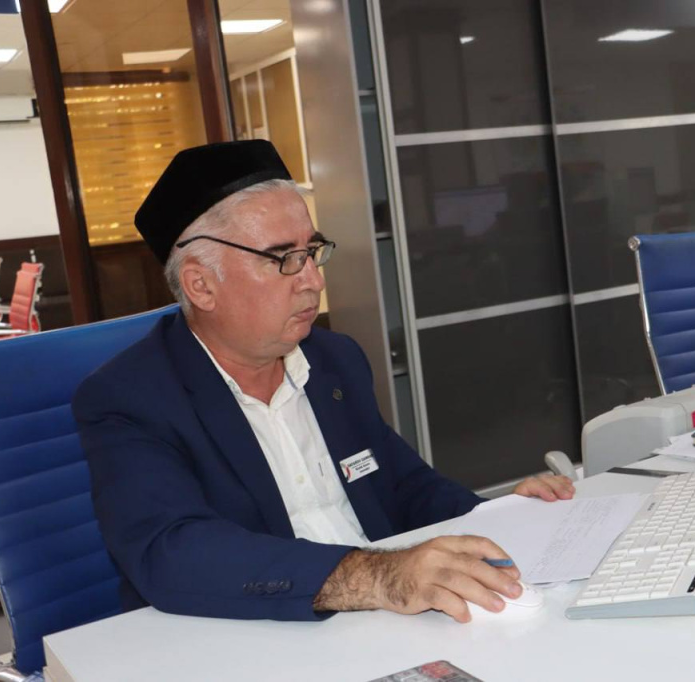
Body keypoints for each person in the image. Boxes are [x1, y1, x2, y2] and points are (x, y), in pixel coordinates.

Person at [73, 140, 575, 625]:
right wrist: (377, 579)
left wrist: (498, 520)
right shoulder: (129, 398)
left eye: (312, 251)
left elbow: (403, 486)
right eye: (283, 258)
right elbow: (172, 551)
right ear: (201, 285)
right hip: (256, 634)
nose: (313, 279)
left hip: (381, 619)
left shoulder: (334, 360)